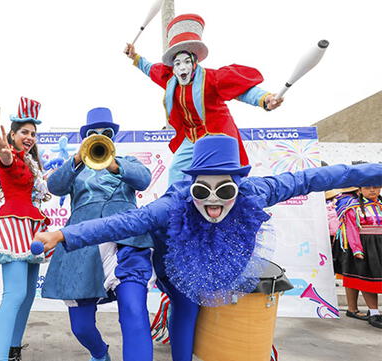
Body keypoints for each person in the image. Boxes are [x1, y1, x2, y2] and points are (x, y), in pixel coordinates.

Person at [35, 135, 382, 361]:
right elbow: (122, 224)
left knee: (193, 306)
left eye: (224, 190)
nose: (213, 201)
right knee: (185, 303)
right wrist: (64, 236)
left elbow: (318, 178)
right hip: (177, 257)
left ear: (238, 185)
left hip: (220, 253)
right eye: (203, 191)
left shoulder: (257, 191)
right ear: (192, 186)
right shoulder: (174, 203)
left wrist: (376, 172)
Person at [41, 107, 154, 361]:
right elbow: (54, 186)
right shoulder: (75, 168)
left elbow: (144, 180)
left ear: (113, 138)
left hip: (126, 242)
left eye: (106, 133)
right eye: (94, 133)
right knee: (80, 326)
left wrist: (115, 165)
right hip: (81, 246)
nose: (100, 136)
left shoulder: (127, 163)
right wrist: (77, 159)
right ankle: (100, 353)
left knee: (134, 311)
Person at [123, 14, 283, 184]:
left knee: (224, 175)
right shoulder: (169, 79)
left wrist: (265, 99)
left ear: (194, 63)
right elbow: (149, 68)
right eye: (177, 63)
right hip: (190, 137)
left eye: (186, 62)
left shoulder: (212, 78)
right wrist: (135, 56)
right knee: (176, 170)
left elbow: (242, 91)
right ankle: (175, 207)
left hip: (217, 134)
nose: (181, 67)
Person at [0, 97, 52, 361]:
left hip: (33, 228)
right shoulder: (11, 158)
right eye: (24, 132)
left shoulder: (32, 163)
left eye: (33, 133)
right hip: (14, 225)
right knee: (15, 294)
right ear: (12, 134)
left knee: (27, 296)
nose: (30, 137)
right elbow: (7, 160)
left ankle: (13, 351)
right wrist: (4, 151)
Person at [336, 182, 382, 329]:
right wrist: (357, 249)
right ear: (360, 190)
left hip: (380, 245)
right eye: (368, 187)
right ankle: (374, 312)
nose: (373, 190)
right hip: (364, 246)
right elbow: (351, 228)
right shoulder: (353, 207)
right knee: (368, 279)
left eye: (376, 186)